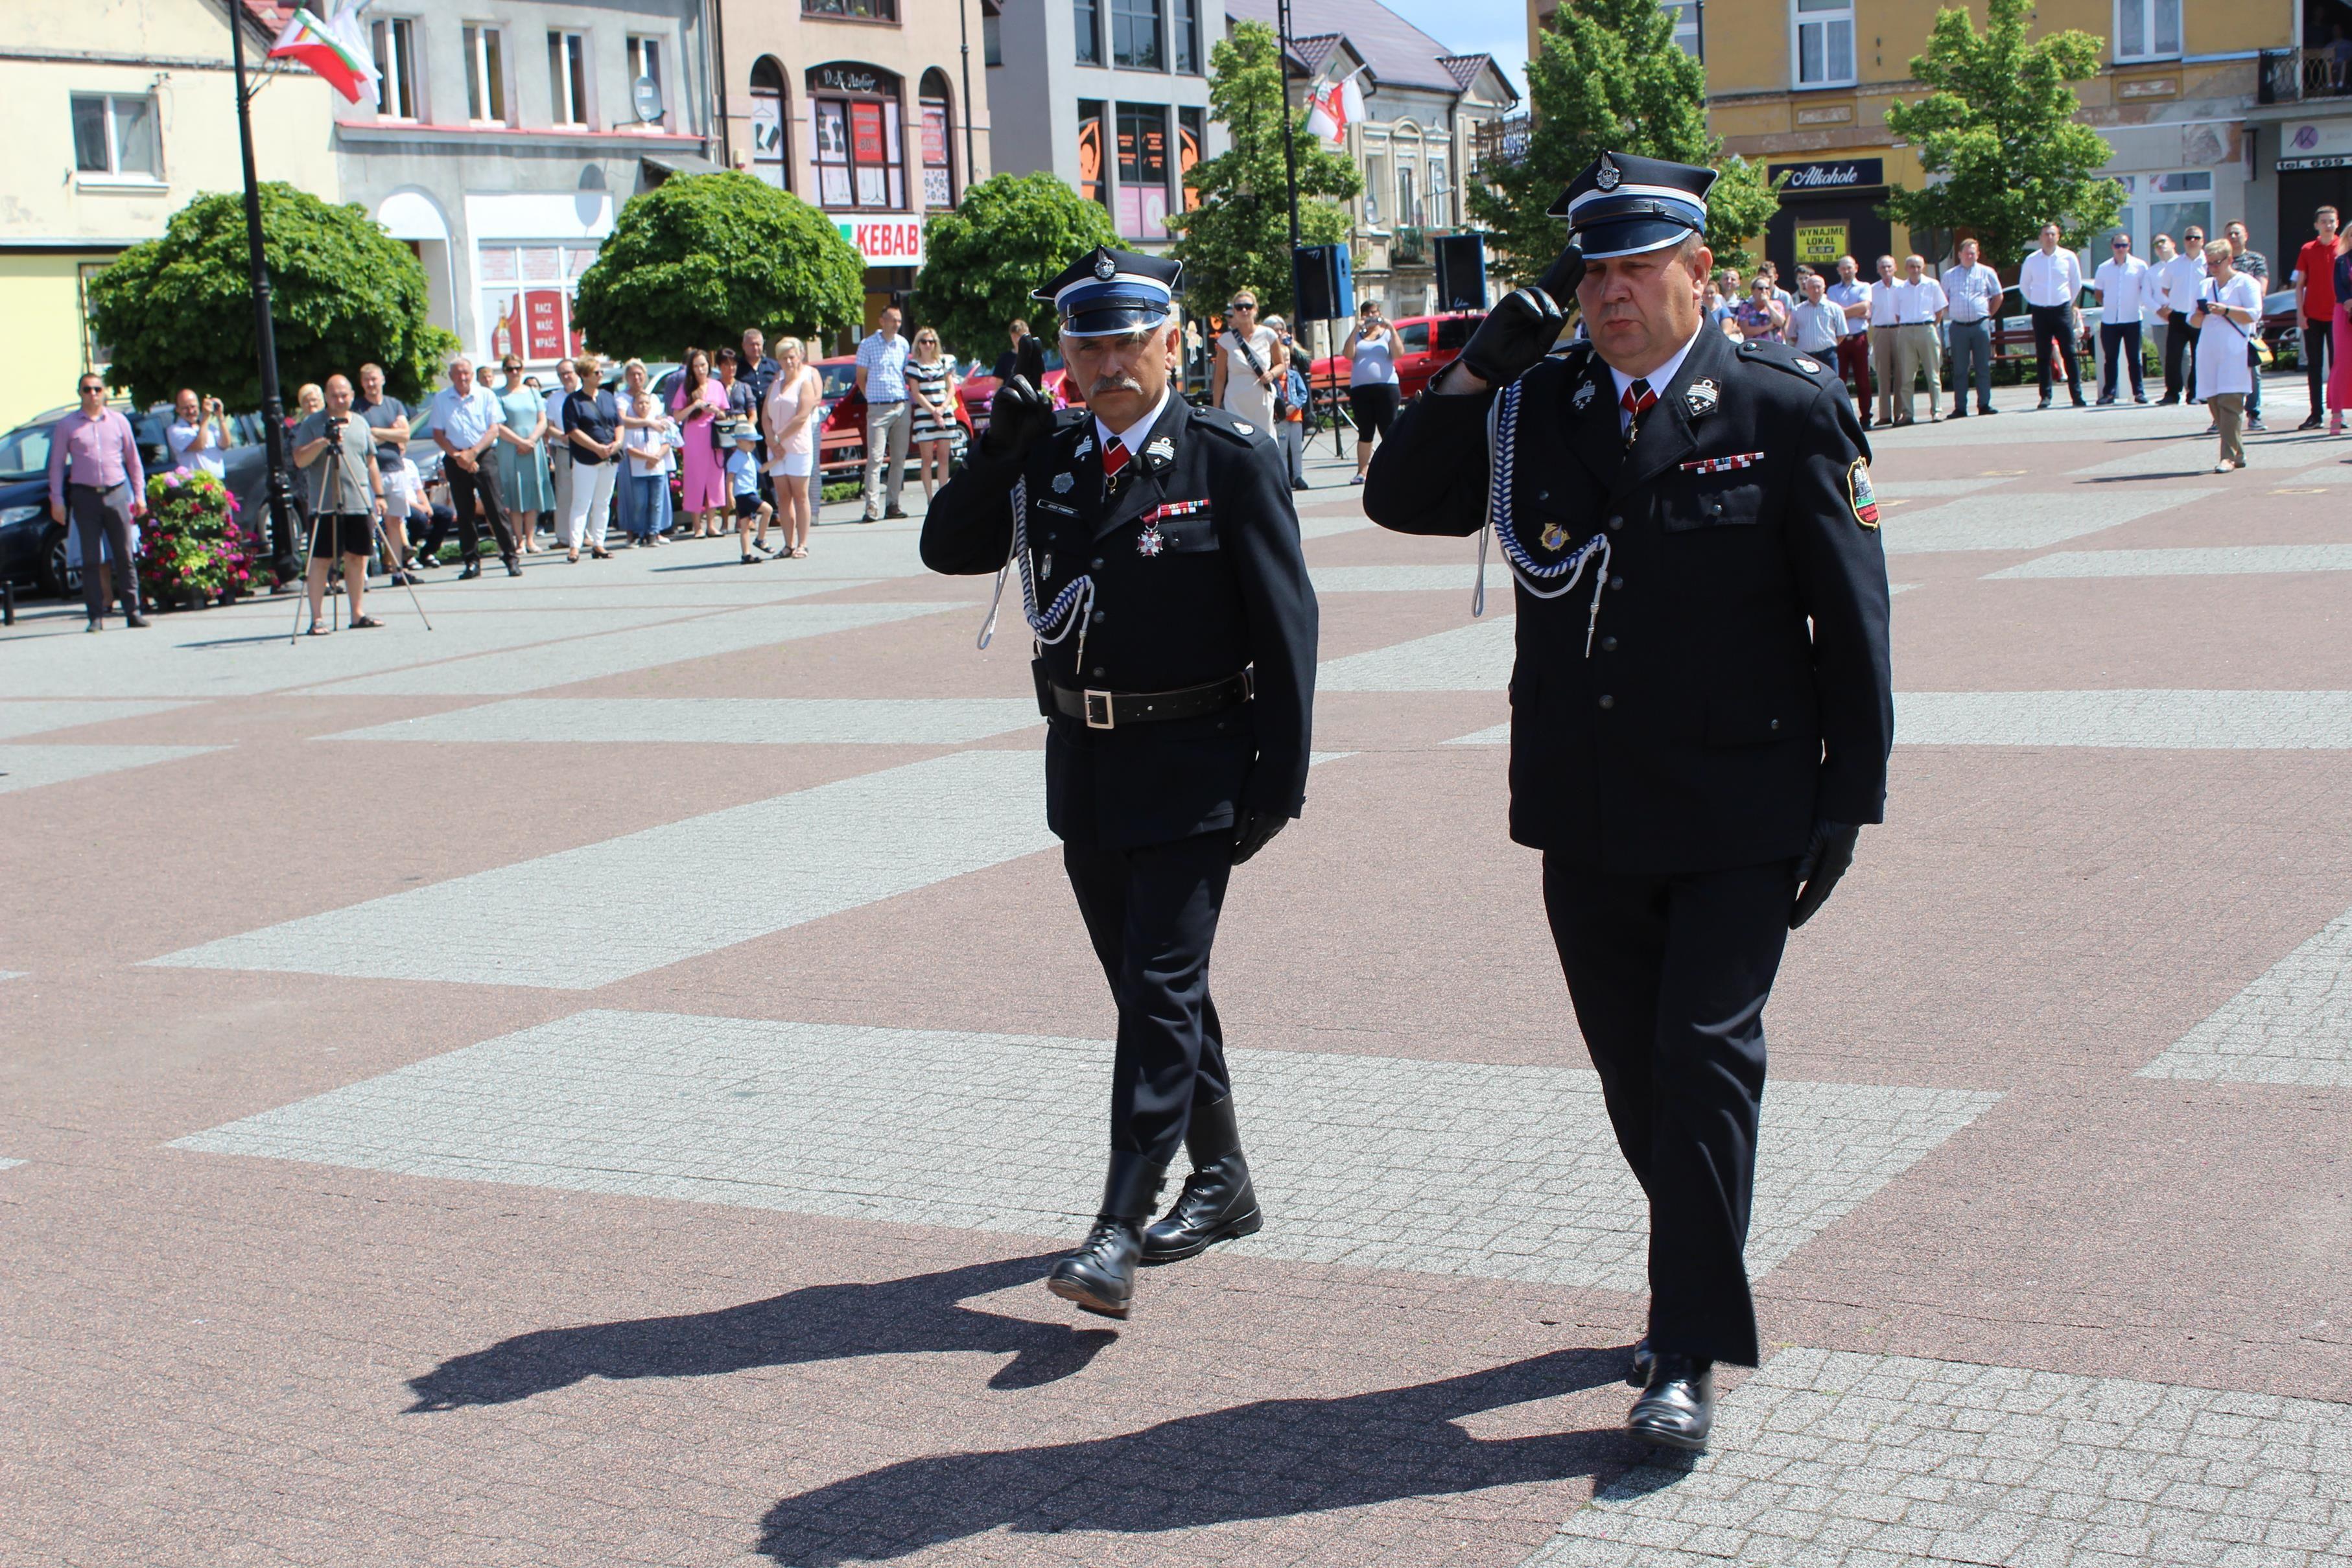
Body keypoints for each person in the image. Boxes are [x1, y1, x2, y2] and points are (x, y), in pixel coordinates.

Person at [1361, 149, 1892, 1454]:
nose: (1605, 292)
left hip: (1737, 806)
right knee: (1633, 1083)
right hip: (1586, 808)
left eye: (1631, 266)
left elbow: (1852, 619)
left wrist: (1846, 801)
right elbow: (1394, 494)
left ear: (1697, 272)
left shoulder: (1779, 406)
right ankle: (1698, 1264)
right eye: (1589, 269)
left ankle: (1684, 1347)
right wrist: (1484, 353)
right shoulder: (1538, 408)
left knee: (1701, 1061)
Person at [920, 245, 1318, 1324]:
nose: (1107, 360)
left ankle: (1115, 1223)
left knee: (1156, 989)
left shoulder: (1227, 457)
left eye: (1127, 337)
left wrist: (1276, 783)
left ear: (1171, 339)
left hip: (1198, 763)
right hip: (1089, 769)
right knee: (1154, 991)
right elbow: (947, 550)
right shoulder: (1048, 455)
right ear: (1063, 351)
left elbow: (1290, 628)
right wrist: (989, 455)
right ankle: (1224, 1178)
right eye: (1086, 340)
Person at [46, 371, 149, 632]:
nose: (93, 394)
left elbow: (133, 461)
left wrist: (139, 495)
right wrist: (56, 500)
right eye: (87, 390)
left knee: (124, 555)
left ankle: (133, 611)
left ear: (104, 392)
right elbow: (57, 466)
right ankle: (96, 615)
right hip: (85, 495)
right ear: (80, 393)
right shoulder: (68, 426)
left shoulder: (118, 421)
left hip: (116, 492)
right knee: (91, 558)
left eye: (97, 389)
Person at [291, 373, 387, 633]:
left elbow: (370, 461)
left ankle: (357, 613)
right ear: (326, 397)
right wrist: (324, 441)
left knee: (357, 557)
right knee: (321, 559)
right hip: (325, 503)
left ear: (352, 396)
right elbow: (299, 460)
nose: (340, 399)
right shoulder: (313, 424)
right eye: (334, 395)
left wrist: (378, 495)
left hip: (358, 499)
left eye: (344, 395)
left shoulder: (360, 423)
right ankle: (317, 618)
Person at [425, 356, 520, 579]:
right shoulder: (441, 399)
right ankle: (471, 562)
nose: (463, 377)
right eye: (458, 373)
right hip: (456, 456)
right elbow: (438, 433)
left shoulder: (485, 395)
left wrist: (473, 453)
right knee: (465, 512)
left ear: (472, 374)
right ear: (451, 377)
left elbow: (494, 429)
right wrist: (458, 456)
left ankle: (510, 558)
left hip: (483, 454)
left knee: (496, 508)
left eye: (466, 373)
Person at [2193, 238, 2263, 471]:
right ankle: (2239, 452)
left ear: (2230, 260)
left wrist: (2226, 310)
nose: (2213, 268)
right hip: (2209, 350)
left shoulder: (2246, 283)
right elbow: (2192, 321)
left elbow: (2254, 314)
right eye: (2209, 264)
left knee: (2230, 402)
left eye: (2217, 263)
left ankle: (2228, 457)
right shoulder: (2205, 286)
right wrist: (2199, 315)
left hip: (2235, 350)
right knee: (2214, 402)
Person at [558, 353, 622, 561]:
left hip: (610, 456)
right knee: (581, 502)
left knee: (603, 502)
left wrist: (617, 443)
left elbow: (618, 423)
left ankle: (599, 543)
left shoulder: (607, 397)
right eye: (596, 372)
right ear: (585, 375)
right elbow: (573, 431)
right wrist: (595, 447)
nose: (601, 375)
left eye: (601, 371)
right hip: (586, 457)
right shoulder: (573, 401)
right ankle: (575, 546)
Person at [491, 355, 554, 554]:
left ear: (523, 368)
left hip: (532, 447)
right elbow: (498, 426)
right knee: (514, 494)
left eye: (517, 368)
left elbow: (542, 420)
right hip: (510, 448)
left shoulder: (533, 393)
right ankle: (518, 541)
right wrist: (520, 442)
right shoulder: (498, 395)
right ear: (504, 371)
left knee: (532, 492)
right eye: (510, 369)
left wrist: (532, 441)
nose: (514, 372)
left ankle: (530, 539)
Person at [2021, 222, 2087, 409]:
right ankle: (2045, 396)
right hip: (2040, 311)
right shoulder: (2032, 260)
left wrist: (2067, 301)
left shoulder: (2068, 257)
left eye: (2053, 234)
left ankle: (2077, 395)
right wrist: (2036, 301)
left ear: (2058, 237)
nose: (2049, 238)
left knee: (2070, 352)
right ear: (2040, 238)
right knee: (2043, 355)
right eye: (2046, 234)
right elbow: (2024, 285)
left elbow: (2076, 283)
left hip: (2062, 310)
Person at [855, 307, 913, 521]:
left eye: (899, 320)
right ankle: (871, 507)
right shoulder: (867, 345)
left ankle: (893, 504)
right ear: (882, 321)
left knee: (899, 458)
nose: (896, 324)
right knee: (876, 458)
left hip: (901, 405)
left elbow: (905, 374)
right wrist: (870, 398)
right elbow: (861, 377)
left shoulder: (903, 344)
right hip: (878, 408)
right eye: (892, 320)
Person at [766, 336, 821, 559]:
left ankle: (803, 543)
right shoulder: (775, 384)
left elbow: (802, 416)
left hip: (797, 446)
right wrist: (772, 441)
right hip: (777, 449)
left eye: (791, 357)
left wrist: (779, 439)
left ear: (799, 358)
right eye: (783, 358)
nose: (788, 361)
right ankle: (788, 544)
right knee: (783, 497)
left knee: (800, 496)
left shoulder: (804, 383)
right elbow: (765, 416)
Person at [668, 347, 730, 538]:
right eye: (696, 366)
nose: (700, 370)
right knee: (695, 479)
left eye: (703, 365)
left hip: (713, 436)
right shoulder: (686, 388)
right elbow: (677, 416)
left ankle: (712, 524)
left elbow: (724, 412)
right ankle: (697, 526)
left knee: (714, 478)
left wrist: (715, 411)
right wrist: (694, 405)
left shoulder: (717, 386)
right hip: (694, 436)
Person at [1941, 238, 2002, 418]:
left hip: (1980, 324)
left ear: (1978, 254)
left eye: (1973, 253)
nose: (1969, 256)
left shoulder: (1987, 272)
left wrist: (1988, 314)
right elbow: (1943, 299)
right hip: (1958, 326)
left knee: (1983, 366)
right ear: (1959, 254)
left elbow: (1998, 296)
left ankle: (1984, 404)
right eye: (1966, 253)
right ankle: (1960, 407)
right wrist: (1954, 311)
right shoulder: (1950, 275)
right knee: (1960, 369)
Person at [1210, 290, 1286, 432]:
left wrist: (1271, 374)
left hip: (1261, 400)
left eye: (1248, 306)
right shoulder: (1225, 340)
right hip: (1235, 401)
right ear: (1234, 311)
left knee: (1264, 441)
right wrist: (1216, 409)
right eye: (1239, 307)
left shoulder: (1268, 335)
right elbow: (1220, 378)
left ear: (1255, 309)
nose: (1244, 310)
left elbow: (1281, 365)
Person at [2090, 234, 2152, 406]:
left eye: (2124, 245)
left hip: (2132, 318)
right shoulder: (2103, 268)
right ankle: (2108, 394)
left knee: (2134, 358)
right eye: (2118, 246)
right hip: (2110, 319)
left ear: (2129, 246)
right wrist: (2111, 305)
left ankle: (2139, 392)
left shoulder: (2140, 266)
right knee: (2110, 358)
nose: (2121, 249)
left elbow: (2144, 289)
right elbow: (2099, 293)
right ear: (2112, 247)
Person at [1343, 299, 1400, 484]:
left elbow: (1399, 353)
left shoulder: (1386, 334)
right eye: (1367, 314)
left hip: (1386, 388)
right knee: (1365, 431)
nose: (1371, 317)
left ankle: (1394, 468)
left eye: (1374, 313)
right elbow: (1348, 354)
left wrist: (1391, 328)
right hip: (1361, 390)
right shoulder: (1358, 336)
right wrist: (1355, 330)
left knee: (1388, 429)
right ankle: (1363, 471)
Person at [2295, 208, 2341, 430]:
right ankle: (2315, 414)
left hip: (2338, 316)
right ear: (2316, 225)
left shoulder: (2344, 247)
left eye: (2331, 221)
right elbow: (2300, 284)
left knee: (2337, 365)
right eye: (2324, 222)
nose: (2328, 225)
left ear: (2337, 223)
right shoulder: (2307, 249)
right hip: (2312, 315)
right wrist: (2300, 313)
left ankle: (2338, 413)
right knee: (2314, 366)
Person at [906, 325, 960, 506]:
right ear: (918, 344)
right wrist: (933, 411)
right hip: (925, 415)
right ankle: (930, 498)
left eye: (931, 341)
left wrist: (942, 409)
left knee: (944, 458)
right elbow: (916, 392)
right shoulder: (914, 365)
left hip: (945, 415)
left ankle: (943, 496)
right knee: (927, 459)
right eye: (924, 341)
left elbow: (951, 387)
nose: (928, 345)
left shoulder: (943, 362)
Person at [2156, 224, 2209, 404]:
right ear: (2183, 242)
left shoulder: (2209, 263)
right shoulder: (2174, 264)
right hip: (2178, 315)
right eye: (2189, 238)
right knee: (2173, 356)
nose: (2192, 241)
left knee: (2199, 356)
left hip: (2200, 316)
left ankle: (2195, 393)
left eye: (2196, 238)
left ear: (2203, 241)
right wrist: (2179, 300)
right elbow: (2165, 289)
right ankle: (2172, 393)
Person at [1825, 255, 1875, 428]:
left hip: (1859, 338)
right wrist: (1855, 311)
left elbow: (1865, 307)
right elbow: (1832, 313)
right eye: (1843, 268)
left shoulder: (1864, 287)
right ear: (1838, 270)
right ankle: (1842, 420)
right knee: (1839, 381)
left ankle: (1866, 417)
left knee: (1863, 380)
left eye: (1849, 268)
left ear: (1856, 268)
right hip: (1839, 340)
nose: (1847, 271)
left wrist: (1842, 312)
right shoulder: (1832, 290)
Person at [1264, 314, 1311, 490]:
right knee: (1281, 448)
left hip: (1296, 409)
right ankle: (1285, 478)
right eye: (1276, 330)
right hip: (1279, 410)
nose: (1280, 333)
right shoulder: (1265, 347)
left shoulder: (1291, 350)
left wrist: (1291, 347)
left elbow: (1306, 364)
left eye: (1281, 329)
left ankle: (1297, 476)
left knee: (1296, 447)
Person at [1787, 271, 1848, 406]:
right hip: (1806, 356)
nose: (1816, 290)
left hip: (1828, 354)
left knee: (1832, 388)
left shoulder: (1835, 309)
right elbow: (1792, 334)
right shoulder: (1797, 310)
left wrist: (1829, 345)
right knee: (1807, 390)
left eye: (1818, 287)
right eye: (1812, 287)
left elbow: (1842, 333)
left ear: (1824, 288)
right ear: (1806, 289)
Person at [543, 358, 578, 542]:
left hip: (587, 450)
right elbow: (549, 427)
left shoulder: (585, 394)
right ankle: (564, 537)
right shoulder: (554, 398)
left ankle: (587, 535)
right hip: (565, 449)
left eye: (569, 372)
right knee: (565, 494)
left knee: (587, 493)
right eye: (562, 374)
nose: (566, 377)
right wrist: (563, 436)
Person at [1866, 255, 1902, 428]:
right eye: (1882, 267)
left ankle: (1900, 413)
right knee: (1882, 375)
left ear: (1895, 267)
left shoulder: (1903, 287)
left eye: (1889, 267)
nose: (1886, 270)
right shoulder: (1872, 289)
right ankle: (1885, 415)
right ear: (1878, 270)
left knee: (1901, 374)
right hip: (1880, 331)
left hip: (1900, 331)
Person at [727, 427, 773, 562]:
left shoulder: (750, 456)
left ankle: (746, 554)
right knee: (768, 510)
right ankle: (760, 539)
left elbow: (762, 469)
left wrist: (777, 460)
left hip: (749, 492)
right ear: (739, 441)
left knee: (745, 525)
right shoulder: (736, 458)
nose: (753, 445)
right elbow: (730, 478)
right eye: (750, 442)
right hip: (744, 494)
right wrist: (730, 495)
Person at [167, 388, 233, 478]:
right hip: (197, 485)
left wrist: (220, 416)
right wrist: (205, 417)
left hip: (218, 482)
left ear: (199, 405)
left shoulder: (209, 427)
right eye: (185, 408)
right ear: (178, 409)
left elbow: (226, 444)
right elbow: (200, 445)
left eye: (193, 406)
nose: (191, 411)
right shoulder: (175, 430)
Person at [2144, 234, 2178, 395]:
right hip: (2159, 320)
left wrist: (2173, 309)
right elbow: (2146, 296)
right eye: (2157, 244)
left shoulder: (2182, 265)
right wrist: (2160, 310)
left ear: (2173, 244)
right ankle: (2172, 391)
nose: (2160, 246)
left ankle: (2190, 389)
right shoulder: (2152, 271)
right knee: (2165, 357)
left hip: (2180, 317)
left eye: (2164, 242)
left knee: (2185, 356)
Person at [1733, 275, 1785, 342]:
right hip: (1755, 346)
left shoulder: (1777, 305)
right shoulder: (1746, 308)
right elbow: (1746, 330)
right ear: (1753, 291)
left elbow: (1781, 323)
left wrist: (1767, 304)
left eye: (1767, 288)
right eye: (1760, 288)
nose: (1764, 291)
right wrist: (1767, 328)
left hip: (1775, 346)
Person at [991, 318, 1033, 382]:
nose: (1017, 339)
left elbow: (1040, 381)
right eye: (1014, 336)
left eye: (1019, 335)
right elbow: (999, 386)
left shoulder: (1033, 356)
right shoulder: (1004, 358)